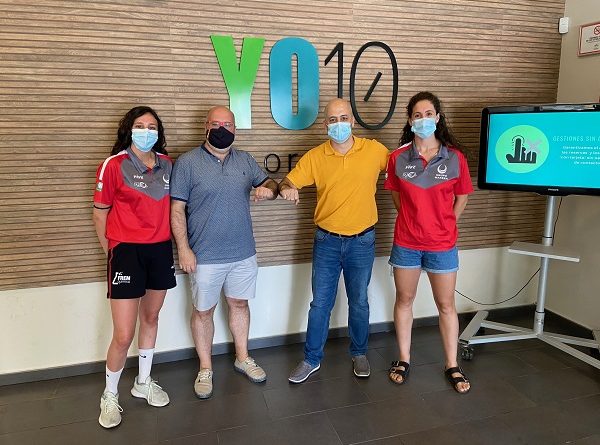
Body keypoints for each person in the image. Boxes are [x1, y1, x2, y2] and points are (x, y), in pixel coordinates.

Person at [170, 105, 278, 399]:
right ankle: (205, 367)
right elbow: (177, 209)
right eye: (216, 124)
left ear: (235, 129)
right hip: (204, 255)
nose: (222, 129)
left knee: (239, 304)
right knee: (203, 311)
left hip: (243, 253)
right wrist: (184, 249)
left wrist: (268, 189)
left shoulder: (244, 160)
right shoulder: (187, 163)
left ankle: (243, 358)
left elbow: (268, 183)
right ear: (205, 126)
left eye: (227, 124)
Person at [280, 98, 389, 383]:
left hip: (362, 242)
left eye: (343, 118)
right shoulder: (315, 157)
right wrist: (287, 188)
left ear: (352, 121)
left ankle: (359, 353)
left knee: (359, 302)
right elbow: (288, 181)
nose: (338, 124)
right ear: (325, 125)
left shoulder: (374, 151)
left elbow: (401, 168)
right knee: (320, 304)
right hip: (326, 242)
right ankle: (311, 359)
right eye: (332, 120)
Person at [92, 106, 176, 428]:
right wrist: (112, 252)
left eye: (152, 126)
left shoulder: (168, 164)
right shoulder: (113, 165)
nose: (146, 131)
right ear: (129, 129)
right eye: (140, 126)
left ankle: (143, 382)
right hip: (125, 252)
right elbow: (100, 213)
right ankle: (109, 394)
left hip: (160, 250)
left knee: (151, 318)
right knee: (124, 333)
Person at [384, 91, 473, 394]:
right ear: (410, 121)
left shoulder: (455, 158)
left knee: (446, 305)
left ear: (438, 118)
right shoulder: (397, 158)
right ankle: (404, 359)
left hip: (442, 244)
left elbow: (462, 197)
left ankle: (452, 364)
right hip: (407, 242)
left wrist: (446, 222)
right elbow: (396, 196)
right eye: (417, 115)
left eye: (428, 114)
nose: (423, 120)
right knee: (404, 300)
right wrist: (415, 219)